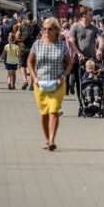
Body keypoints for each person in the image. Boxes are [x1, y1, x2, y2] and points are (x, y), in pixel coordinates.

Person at [27, 17, 72, 151]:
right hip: (40, 84)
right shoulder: (37, 45)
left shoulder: (61, 45)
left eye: (50, 29)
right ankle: (47, 139)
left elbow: (69, 63)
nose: (46, 31)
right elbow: (29, 62)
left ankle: (52, 140)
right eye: (44, 28)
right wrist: (34, 77)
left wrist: (63, 76)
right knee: (44, 113)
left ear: (56, 30)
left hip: (57, 83)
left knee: (54, 111)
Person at [68, 7, 104, 97]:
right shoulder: (75, 26)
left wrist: (99, 49)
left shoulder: (94, 28)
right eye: (90, 15)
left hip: (92, 60)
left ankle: (93, 97)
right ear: (84, 16)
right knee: (79, 82)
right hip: (78, 60)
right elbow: (71, 42)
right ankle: (81, 101)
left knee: (93, 80)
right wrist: (78, 53)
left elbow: (101, 40)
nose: (92, 17)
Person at [16, 12, 41, 91]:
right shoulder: (37, 26)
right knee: (32, 66)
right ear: (32, 18)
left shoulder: (22, 25)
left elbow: (17, 36)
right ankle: (32, 85)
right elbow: (42, 35)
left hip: (24, 48)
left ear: (26, 18)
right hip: (34, 49)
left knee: (22, 65)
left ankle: (25, 80)